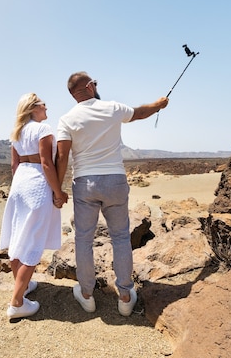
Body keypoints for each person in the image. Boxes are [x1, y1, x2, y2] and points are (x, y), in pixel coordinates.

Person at [56, 71, 169, 316]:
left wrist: (58, 189)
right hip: (115, 181)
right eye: (95, 83)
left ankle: (86, 295)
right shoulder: (112, 107)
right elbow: (139, 113)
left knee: (83, 239)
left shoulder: (66, 119)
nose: (97, 86)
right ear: (89, 86)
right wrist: (159, 105)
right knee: (120, 238)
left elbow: (62, 156)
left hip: (85, 182)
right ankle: (126, 296)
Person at [0, 92, 69, 319]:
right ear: (32, 108)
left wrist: (19, 186)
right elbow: (47, 162)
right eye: (42, 103)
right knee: (33, 240)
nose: (46, 105)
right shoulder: (43, 129)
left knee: (18, 233)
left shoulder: (16, 133)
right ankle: (17, 303)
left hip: (19, 184)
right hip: (37, 183)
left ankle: (23, 284)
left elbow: (14, 165)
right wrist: (58, 192)